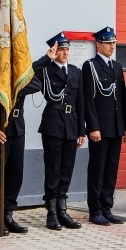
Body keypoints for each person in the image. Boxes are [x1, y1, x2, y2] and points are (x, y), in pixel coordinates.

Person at [0, 56, 41, 236]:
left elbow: (37, 84)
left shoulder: (20, 64)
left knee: (15, 174)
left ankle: (8, 215)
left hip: (17, 125)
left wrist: (11, 86)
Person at [33, 32, 85, 231]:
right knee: (53, 169)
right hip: (53, 123)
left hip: (71, 123)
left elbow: (80, 102)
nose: (64, 52)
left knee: (67, 169)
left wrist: (82, 130)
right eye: (60, 49)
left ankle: (63, 210)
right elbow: (29, 71)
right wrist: (47, 58)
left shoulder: (75, 72)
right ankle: (52, 212)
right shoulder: (45, 70)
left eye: (66, 49)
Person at [83, 27, 126, 226]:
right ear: (99, 45)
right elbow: (88, 101)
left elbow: (122, 99)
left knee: (111, 169)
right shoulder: (91, 66)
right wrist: (93, 127)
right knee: (98, 169)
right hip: (100, 129)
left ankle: (107, 207)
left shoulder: (117, 67)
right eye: (108, 43)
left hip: (116, 127)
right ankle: (95, 210)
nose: (112, 46)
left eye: (114, 43)